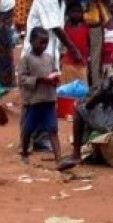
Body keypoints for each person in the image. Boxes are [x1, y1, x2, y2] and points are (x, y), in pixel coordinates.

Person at [18, 27, 72, 168]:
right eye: (40, 42)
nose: (43, 46)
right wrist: (40, 80)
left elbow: (53, 71)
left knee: (52, 129)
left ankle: (59, 158)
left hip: (49, 100)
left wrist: (55, 79)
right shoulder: (26, 59)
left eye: (45, 43)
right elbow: (22, 79)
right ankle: (24, 152)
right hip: (34, 102)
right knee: (28, 129)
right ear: (31, 41)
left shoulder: (49, 58)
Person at [22, 0, 84, 72]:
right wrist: (74, 50)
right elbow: (56, 29)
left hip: (50, 52)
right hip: (37, 51)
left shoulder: (62, 2)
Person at [60, 1, 90, 85]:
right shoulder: (65, 28)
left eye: (78, 12)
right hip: (68, 64)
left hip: (82, 63)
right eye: (73, 12)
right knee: (67, 91)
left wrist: (88, 59)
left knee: (81, 91)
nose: (76, 14)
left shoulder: (85, 27)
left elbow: (88, 44)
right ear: (68, 13)